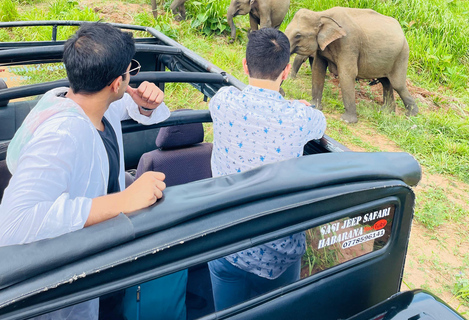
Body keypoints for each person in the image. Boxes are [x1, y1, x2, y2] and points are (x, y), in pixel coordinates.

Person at [0, 22, 170, 319]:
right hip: (69, 283)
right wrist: (124, 200)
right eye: (131, 69)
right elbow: (15, 223)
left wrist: (143, 107)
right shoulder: (61, 135)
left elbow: (123, 110)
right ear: (117, 83)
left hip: (103, 256)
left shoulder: (87, 103)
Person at [207, 28, 327, 311]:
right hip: (279, 254)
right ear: (286, 71)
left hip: (225, 244)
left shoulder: (223, 100)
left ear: (245, 65)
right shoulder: (300, 117)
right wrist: (297, 106)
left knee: (227, 314)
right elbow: (319, 122)